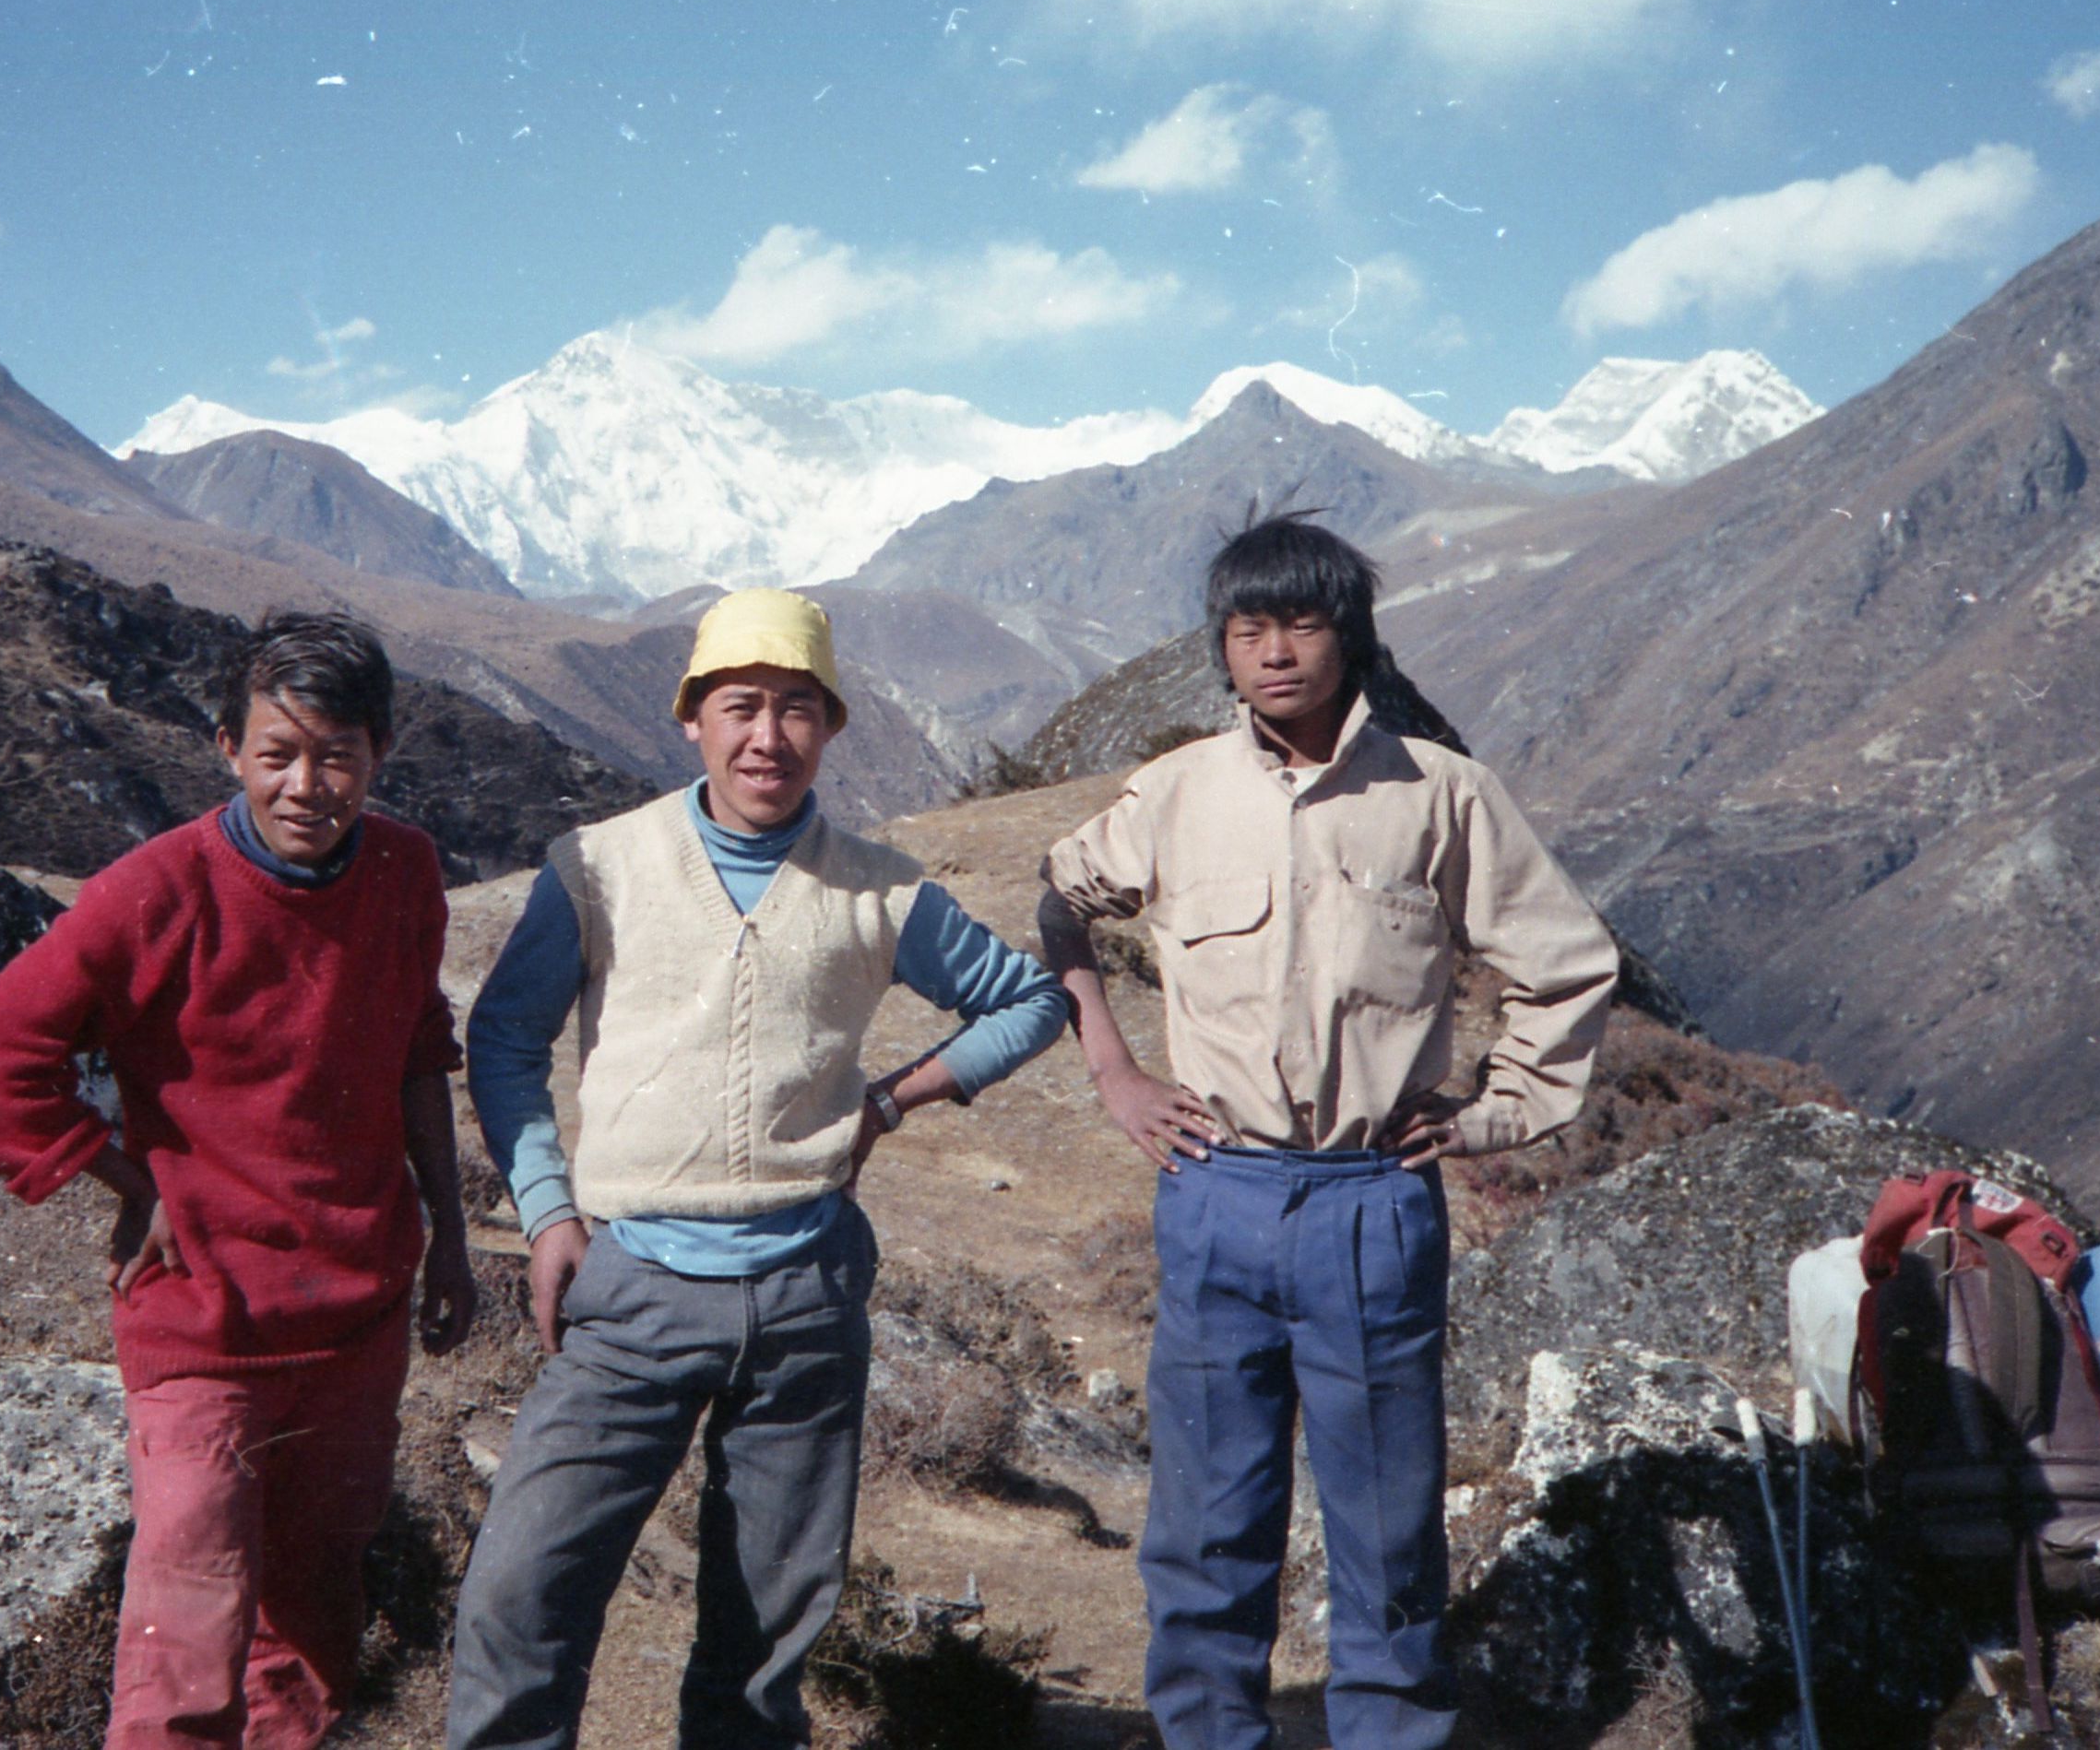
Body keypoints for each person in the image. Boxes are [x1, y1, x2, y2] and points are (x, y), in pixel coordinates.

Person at [446, 587, 1070, 1750]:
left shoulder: (879, 889)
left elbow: (1028, 998)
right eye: (740, 706)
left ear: (830, 726)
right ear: (691, 717)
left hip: (805, 1295)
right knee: (519, 1594)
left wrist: (892, 1098)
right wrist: (545, 1210)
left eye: (796, 709)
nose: (765, 737)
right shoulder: (597, 866)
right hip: (629, 1287)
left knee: (765, 1640)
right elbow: (503, 1036)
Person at [1037, 517, 1619, 1750]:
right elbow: (1058, 904)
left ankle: (1392, 1732)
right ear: (1225, 648)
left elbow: (1565, 969)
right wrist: (1116, 1071)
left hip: (1370, 1199)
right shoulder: (1176, 792)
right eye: (1248, 629)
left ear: (1347, 635)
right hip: (1214, 1193)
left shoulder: (1442, 795)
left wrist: (1491, 1112)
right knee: (1205, 1520)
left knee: (1385, 1522)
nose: (1274, 652)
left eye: (1300, 623)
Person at [0, 610, 476, 1750]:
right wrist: (120, 1176)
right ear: (225, 746)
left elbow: (419, 1047)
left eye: (337, 757)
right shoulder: (155, 889)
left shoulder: (402, 871)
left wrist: (453, 1241)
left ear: (377, 753)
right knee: (185, 1627)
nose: (306, 785)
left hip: (357, 1312)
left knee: (315, 1614)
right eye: (277, 753)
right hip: (203, 1316)